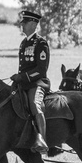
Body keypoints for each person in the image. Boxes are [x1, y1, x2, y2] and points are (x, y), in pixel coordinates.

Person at [11, 10, 50, 154]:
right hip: (23, 83)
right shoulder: (24, 43)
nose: (22, 25)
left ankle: (42, 141)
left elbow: (41, 69)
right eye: (22, 22)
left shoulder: (41, 43)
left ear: (34, 24)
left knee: (34, 104)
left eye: (25, 22)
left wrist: (23, 77)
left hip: (37, 83)